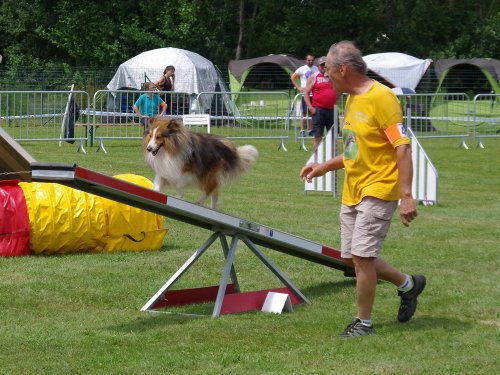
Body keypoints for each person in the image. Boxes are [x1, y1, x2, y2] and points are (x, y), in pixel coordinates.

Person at [300, 41, 426, 338]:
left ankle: (363, 323)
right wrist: (323, 167)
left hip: (379, 188)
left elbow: (402, 148)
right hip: (353, 189)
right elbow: (354, 152)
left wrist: (406, 196)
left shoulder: (382, 98)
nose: (324, 74)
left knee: (363, 258)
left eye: (327, 68)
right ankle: (408, 284)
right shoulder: (350, 100)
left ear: (343, 69)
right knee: (351, 258)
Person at [302, 56, 338, 151]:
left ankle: (332, 159)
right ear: (318, 66)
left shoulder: (333, 77)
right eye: (322, 65)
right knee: (318, 136)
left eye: (326, 65)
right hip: (318, 110)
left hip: (332, 110)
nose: (324, 67)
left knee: (333, 136)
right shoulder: (314, 77)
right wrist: (310, 107)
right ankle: (317, 159)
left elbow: (340, 89)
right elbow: (305, 93)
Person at [290, 53, 319, 137]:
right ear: (306, 60)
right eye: (309, 60)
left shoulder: (316, 69)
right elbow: (292, 77)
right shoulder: (301, 69)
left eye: (312, 60)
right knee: (303, 113)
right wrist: (298, 87)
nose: (311, 61)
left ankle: (310, 130)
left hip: (313, 94)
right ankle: (302, 130)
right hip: (305, 94)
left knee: (311, 112)